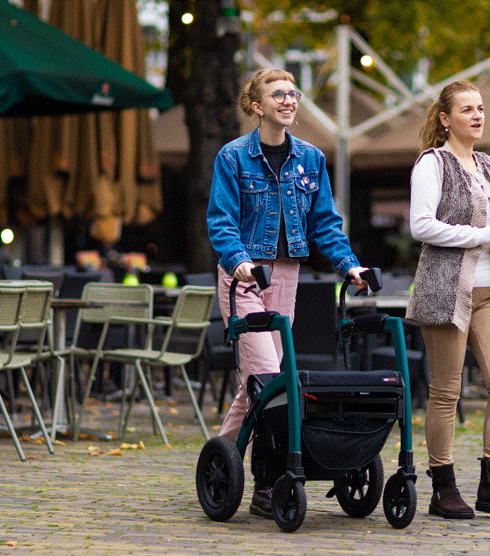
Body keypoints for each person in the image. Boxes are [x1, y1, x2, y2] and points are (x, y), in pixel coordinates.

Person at [206, 68, 368, 519]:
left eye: (293, 93)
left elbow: (325, 224)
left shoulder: (311, 159)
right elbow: (221, 219)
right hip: (243, 276)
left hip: (287, 274)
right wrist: (237, 259)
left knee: (263, 382)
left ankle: (222, 459)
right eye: (278, 94)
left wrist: (348, 264)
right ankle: (269, 477)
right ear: (257, 106)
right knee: (270, 373)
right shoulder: (233, 157)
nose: (289, 100)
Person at [407, 80, 490, 519]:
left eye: (480, 108)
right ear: (445, 119)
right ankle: (443, 489)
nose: (477, 116)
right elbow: (421, 226)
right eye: (467, 109)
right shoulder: (432, 164)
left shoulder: (488, 165)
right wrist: (485, 233)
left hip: (489, 291)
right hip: (445, 292)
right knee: (446, 392)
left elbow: (488, 234)